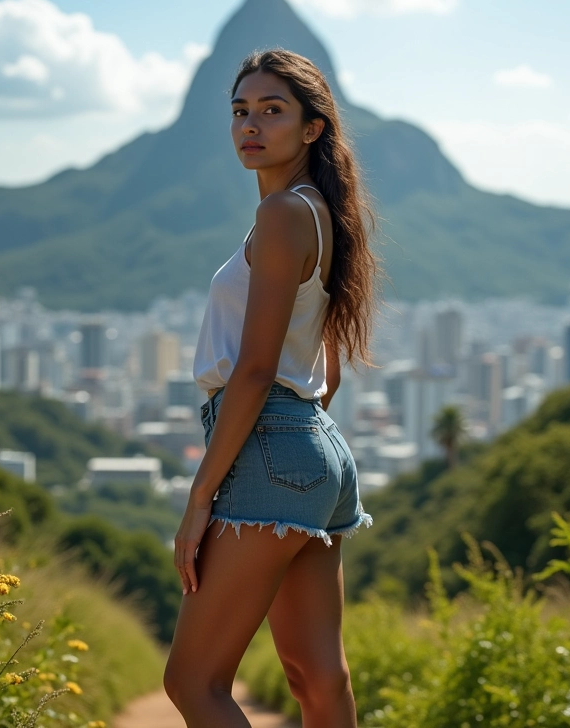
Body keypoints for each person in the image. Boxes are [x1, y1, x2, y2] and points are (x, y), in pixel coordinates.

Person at [163, 48, 379, 728]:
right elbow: (328, 369)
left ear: (313, 128)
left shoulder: (285, 213)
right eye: (240, 111)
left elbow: (256, 370)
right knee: (318, 678)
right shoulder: (321, 213)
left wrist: (200, 500)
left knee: (193, 681)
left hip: (269, 446)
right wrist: (298, 446)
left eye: (272, 110)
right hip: (318, 450)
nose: (250, 125)